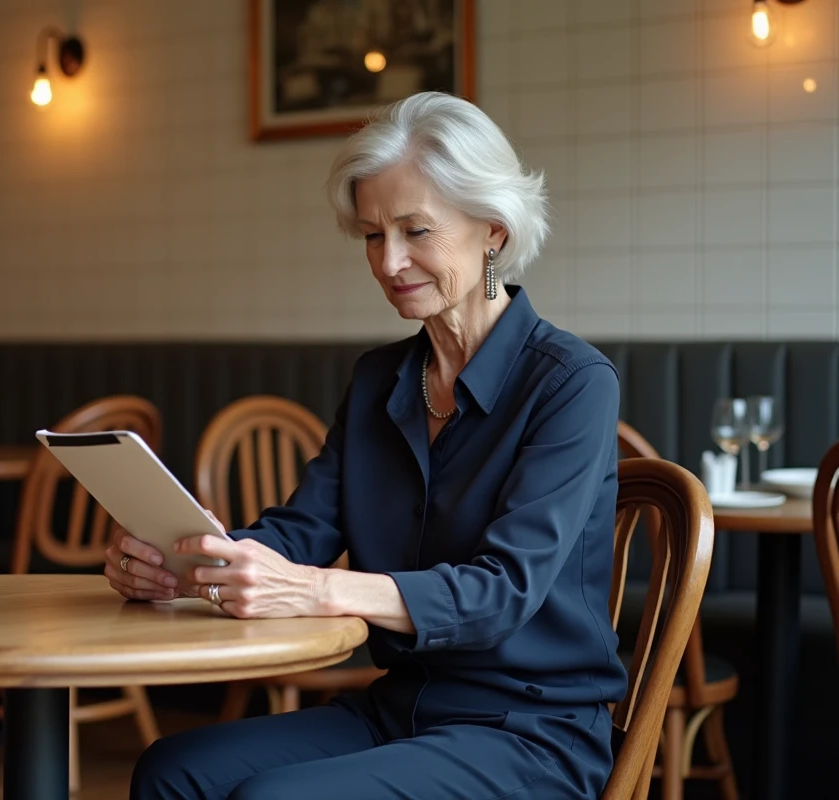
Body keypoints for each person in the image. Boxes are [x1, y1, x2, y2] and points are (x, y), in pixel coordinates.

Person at [105, 91, 628, 800]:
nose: (389, 262)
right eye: (372, 235)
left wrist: (315, 590)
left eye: (415, 231)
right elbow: (302, 530)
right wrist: (187, 560)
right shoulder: (381, 377)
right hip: (397, 710)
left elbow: (503, 591)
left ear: (494, 231)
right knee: (171, 771)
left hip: (530, 733)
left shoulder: (572, 384)